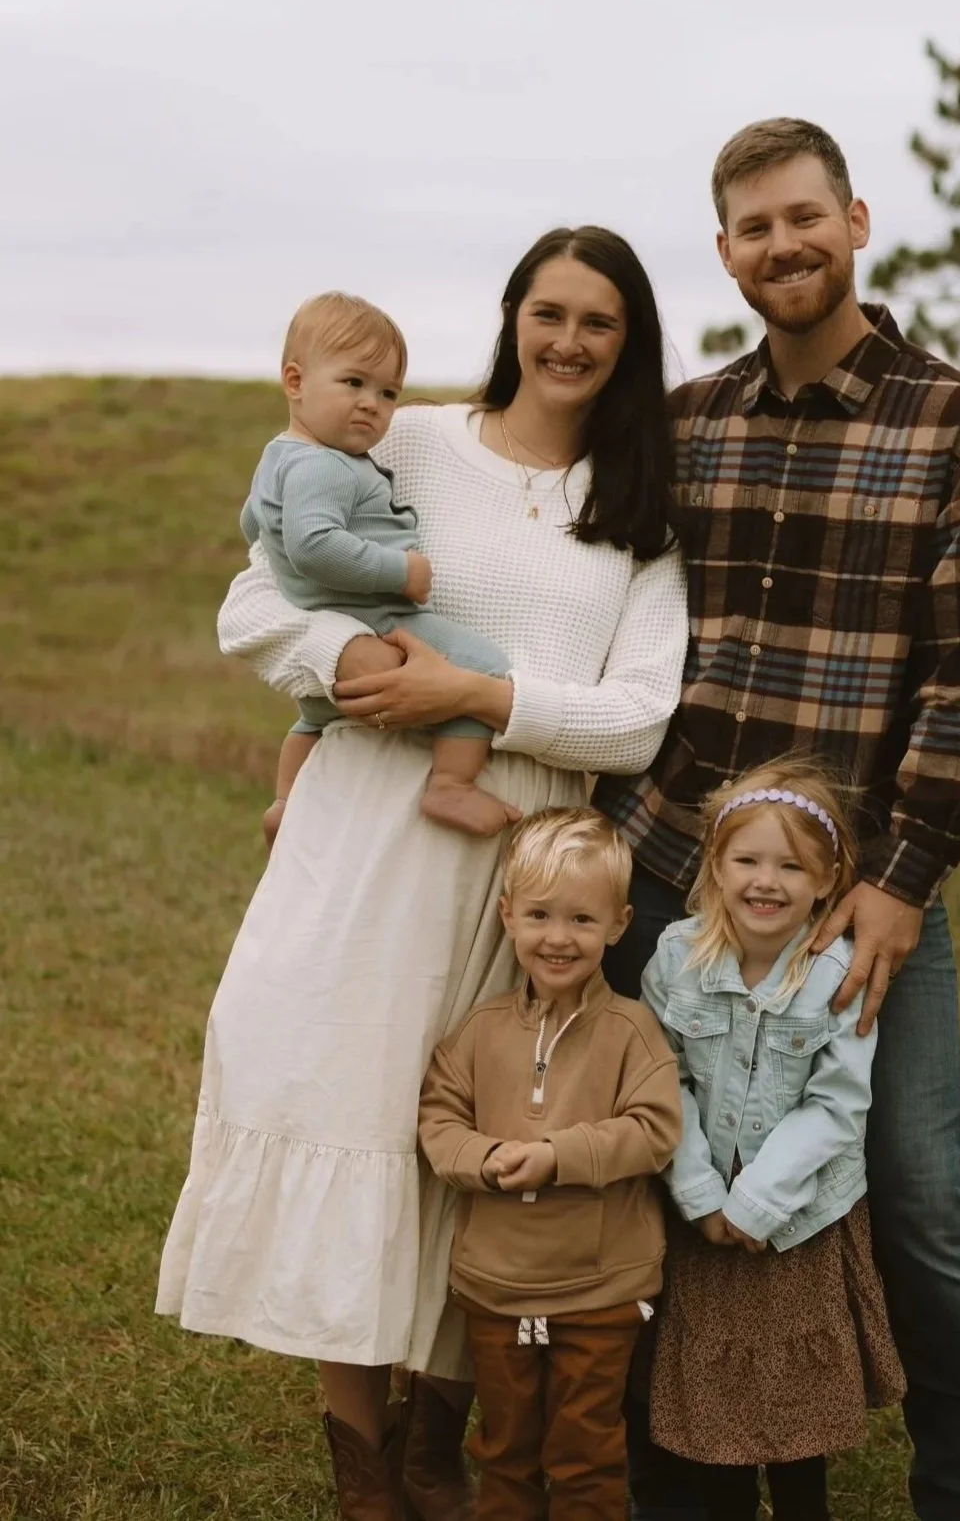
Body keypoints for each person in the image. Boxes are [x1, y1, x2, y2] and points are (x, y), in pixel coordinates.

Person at [156, 227, 689, 1521]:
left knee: (489, 1131)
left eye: (599, 321)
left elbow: (634, 720)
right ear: (512, 318)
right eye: (548, 312)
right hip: (371, 835)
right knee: (354, 1107)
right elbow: (256, 604)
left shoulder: (638, 509)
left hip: (522, 857)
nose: (568, 341)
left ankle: (441, 1440)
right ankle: (362, 1463)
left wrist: (483, 696)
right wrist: (358, 668)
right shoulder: (408, 441)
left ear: (629, 344)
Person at [597, 118, 960, 1521]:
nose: (781, 245)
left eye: (803, 216)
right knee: (653, 1169)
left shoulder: (959, 426)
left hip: (858, 892)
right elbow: (591, 606)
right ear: (725, 252)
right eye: (753, 227)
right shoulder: (687, 423)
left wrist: (903, 880)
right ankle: (681, 1465)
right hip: (669, 868)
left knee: (913, 1191)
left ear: (855, 220)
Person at [639, 757, 905, 1521]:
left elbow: (836, 1105)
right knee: (716, 1389)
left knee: (795, 1394)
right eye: (747, 860)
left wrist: (755, 1203)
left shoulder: (837, 975)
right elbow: (660, 1081)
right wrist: (701, 1195)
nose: (766, 881)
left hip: (798, 1221)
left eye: (791, 866)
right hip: (703, 1214)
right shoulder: (676, 958)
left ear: (826, 880)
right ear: (715, 866)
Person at [418, 807, 682, 1521]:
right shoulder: (480, 1031)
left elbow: (655, 1129)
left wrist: (557, 1157)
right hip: (496, 1286)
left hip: (600, 1290)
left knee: (585, 1451)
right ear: (507, 914)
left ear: (619, 925)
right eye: (538, 915)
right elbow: (438, 1118)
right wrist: (485, 1158)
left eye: (582, 920)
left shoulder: (632, 1030)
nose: (558, 938)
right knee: (504, 1448)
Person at [242, 290, 517, 843]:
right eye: (354, 383)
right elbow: (314, 546)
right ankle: (451, 784)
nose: (372, 403)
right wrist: (402, 572)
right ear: (295, 382)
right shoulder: (326, 466)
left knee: (313, 719)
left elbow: (253, 523)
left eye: (388, 392)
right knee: (484, 669)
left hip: (325, 641)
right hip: (377, 619)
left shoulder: (277, 457)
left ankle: (286, 800)